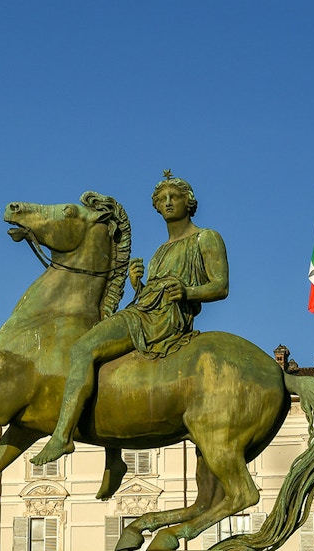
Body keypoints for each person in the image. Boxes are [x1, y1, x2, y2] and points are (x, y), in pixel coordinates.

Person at [31, 172, 229, 465]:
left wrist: (188, 291)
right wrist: (139, 285)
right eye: (162, 200)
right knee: (109, 365)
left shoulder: (206, 238)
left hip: (164, 318)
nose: (168, 202)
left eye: (175, 197)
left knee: (84, 349)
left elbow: (221, 286)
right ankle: (114, 458)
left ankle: (62, 436)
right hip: (144, 310)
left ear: (190, 202)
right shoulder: (160, 251)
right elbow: (153, 293)